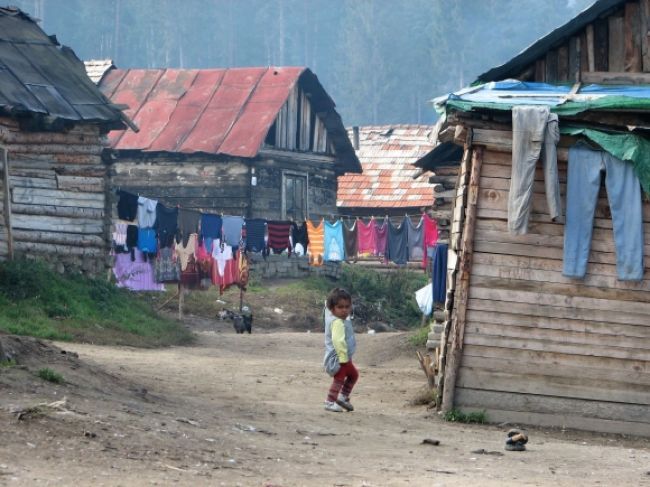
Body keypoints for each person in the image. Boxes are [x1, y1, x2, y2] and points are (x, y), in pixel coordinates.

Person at [323, 287, 358, 412]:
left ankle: (343, 397)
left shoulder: (340, 320)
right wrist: (343, 359)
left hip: (344, 357)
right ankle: (330, 401)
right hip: (339, 358)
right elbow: (338, 341)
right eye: (340, 307)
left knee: (353, 375)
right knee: (339, 378)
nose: (344, 310)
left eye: (347, 307)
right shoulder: (337, 322)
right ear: (332, 309)